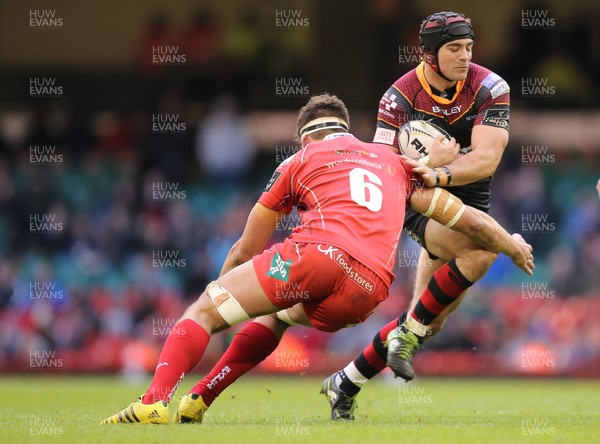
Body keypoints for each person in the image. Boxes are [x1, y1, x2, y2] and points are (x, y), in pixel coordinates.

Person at [100, 93, 532, 425]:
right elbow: (469, 221)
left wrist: (220, 299)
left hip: (317, 257)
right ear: (345, 129)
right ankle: (202, 399)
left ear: (306, 136)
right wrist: (512, 245)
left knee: (205, 308)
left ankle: (154, 401)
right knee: (277, 315)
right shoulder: (393, 162)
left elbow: (246, 247)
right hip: (368, 293)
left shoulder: (302, 157)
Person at [321, 11, 513, 420]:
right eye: (454, 48)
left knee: (430, 319)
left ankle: (346, 381)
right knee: (482, 251)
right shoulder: (399, 97)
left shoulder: (490, 87)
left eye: (468, 47)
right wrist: (425, 170)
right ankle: (405, 337)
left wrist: (441, 168)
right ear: (428, 54)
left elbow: (488, 158)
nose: (465, 56)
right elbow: (383, 166)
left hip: (469, 201)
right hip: (422, 203)